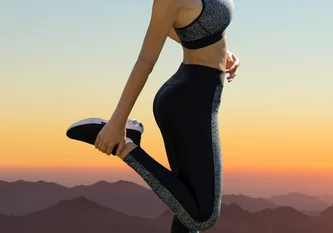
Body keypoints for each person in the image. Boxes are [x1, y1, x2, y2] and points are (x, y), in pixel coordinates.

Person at [65, 0, 238, 232]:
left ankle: (129, 137)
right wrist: (117, 122)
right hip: (189, 104)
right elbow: (145, 61)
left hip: (197, 95)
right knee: (201, 216)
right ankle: (127, 146)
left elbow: (177, 25)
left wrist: (216, 47)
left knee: (184, 201)